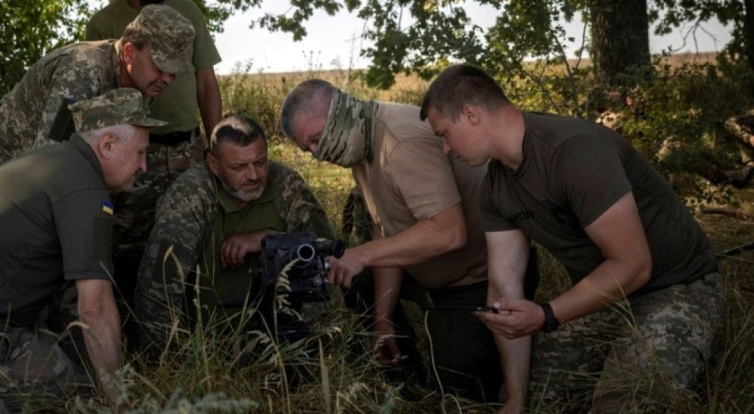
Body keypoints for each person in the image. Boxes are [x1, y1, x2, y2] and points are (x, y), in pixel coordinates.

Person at [420, 64, 724, 413]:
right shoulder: (495, 188)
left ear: (470, 115)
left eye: (443, 134)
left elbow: (634, 265)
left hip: (677, 286)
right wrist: (516, 399)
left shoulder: (574, 151)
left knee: (622, 402)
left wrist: (547, 315)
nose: (444, 148)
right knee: (535, 397)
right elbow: (504, 289)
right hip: (603, 299)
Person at [0, 88, 161, 413]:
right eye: (140, 153)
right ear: (107, 145)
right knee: (84, 398)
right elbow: (95, 309)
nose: (144, 166)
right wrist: (117, 398)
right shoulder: (85, 190)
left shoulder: (46, 160)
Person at [279, 79, 519, 402]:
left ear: (338, 110)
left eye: (317, 140)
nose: (318, 154)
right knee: (356, 279)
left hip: (476, 281)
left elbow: (450, 231)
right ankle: (404, 372)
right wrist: (382, 319)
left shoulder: (398, 140)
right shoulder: (357, 142)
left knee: (458, 396)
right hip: (430, 274)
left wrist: (362, 254)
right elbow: (385, 228)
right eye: (308, 149)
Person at [134, 115, 334, 356]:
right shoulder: (190, 197)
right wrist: (181, 363)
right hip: (205, 345)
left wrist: (269, 239)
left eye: (260, 162)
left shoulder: (285, 184)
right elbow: (156, 294)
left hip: (281, 339)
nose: (253, 175)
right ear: (213, 164)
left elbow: (328, 262)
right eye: (239, 167)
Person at [86, 0, 223, 260]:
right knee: (129, 245)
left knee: (196, 241)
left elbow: (206, 82)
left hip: (189, 150)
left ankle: (189, 311)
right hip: (134, 156)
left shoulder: (188, 13)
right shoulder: (104, 24)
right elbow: (100, 100)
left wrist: (216, 145)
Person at [0, 3, 195, 176]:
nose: (167, 79)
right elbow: (49, 159)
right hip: (11, 164)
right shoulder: (81, 72)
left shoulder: (143, 80)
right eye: (160, 66)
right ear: (129, 53)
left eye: (174, 71)